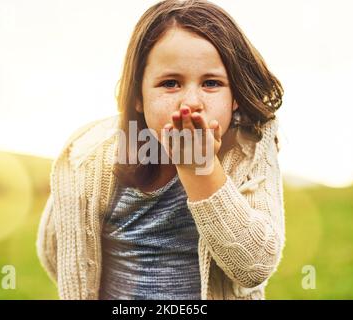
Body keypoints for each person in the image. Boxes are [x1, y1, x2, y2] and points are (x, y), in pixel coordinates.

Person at [37, 0, 285, 300]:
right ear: (138, 95)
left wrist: (201, 171)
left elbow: (254, 266)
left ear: (235, 95)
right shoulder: (87, 159)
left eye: (211, 83)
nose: (191, 102)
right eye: (170, 83)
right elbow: (60, 250)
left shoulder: (250, 145)